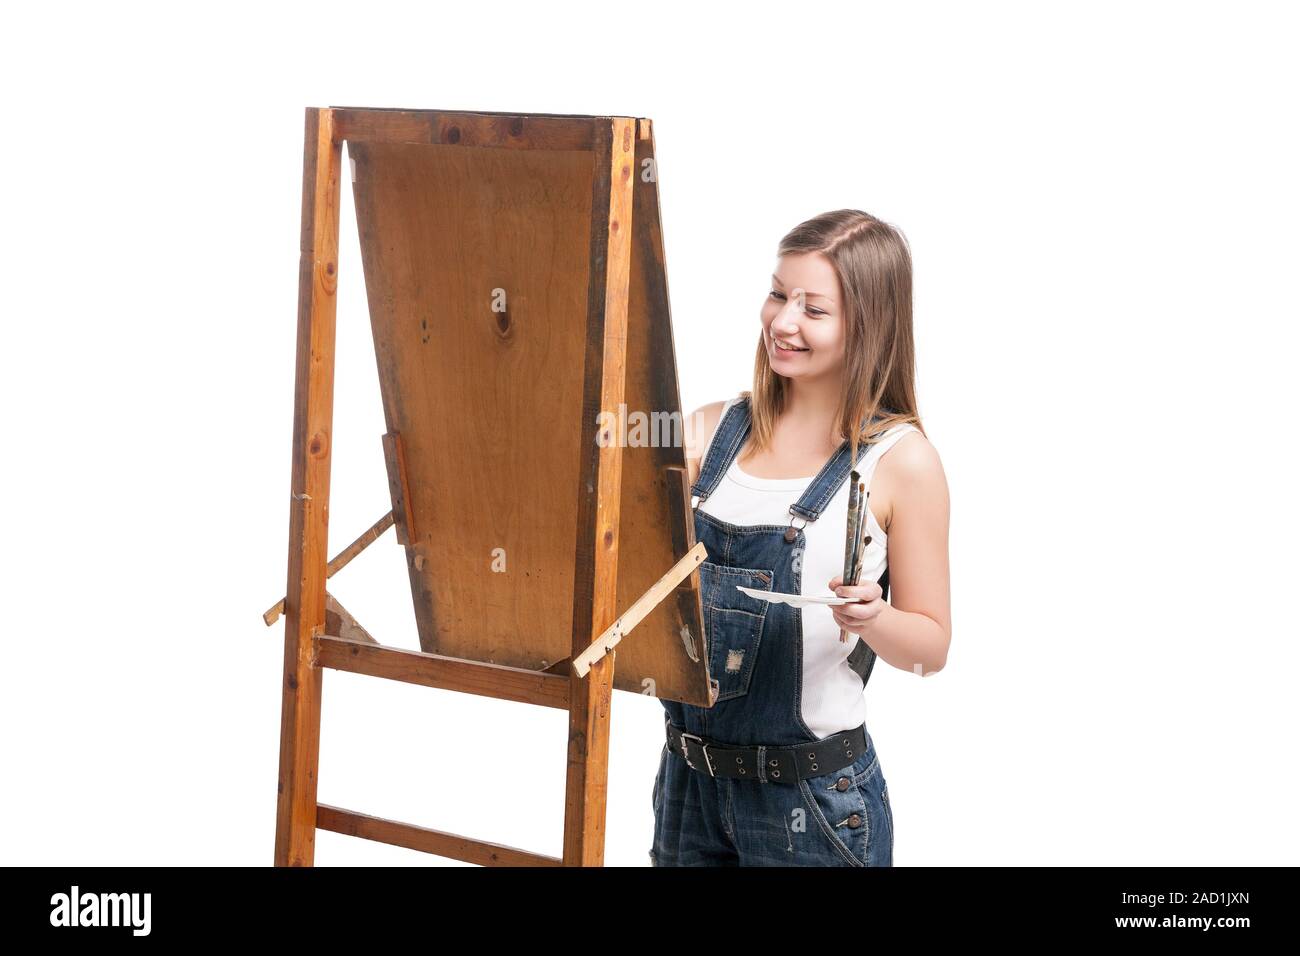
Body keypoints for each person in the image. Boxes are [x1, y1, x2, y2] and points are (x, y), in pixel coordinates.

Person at [650, 209, 951, 867]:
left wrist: (875, 618)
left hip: (812, 808)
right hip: (688, 790)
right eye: (778, 293)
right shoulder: (706, 434)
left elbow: (930, 648)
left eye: (813, 309)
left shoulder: (900, 460)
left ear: (868, 326)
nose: (782, 321)